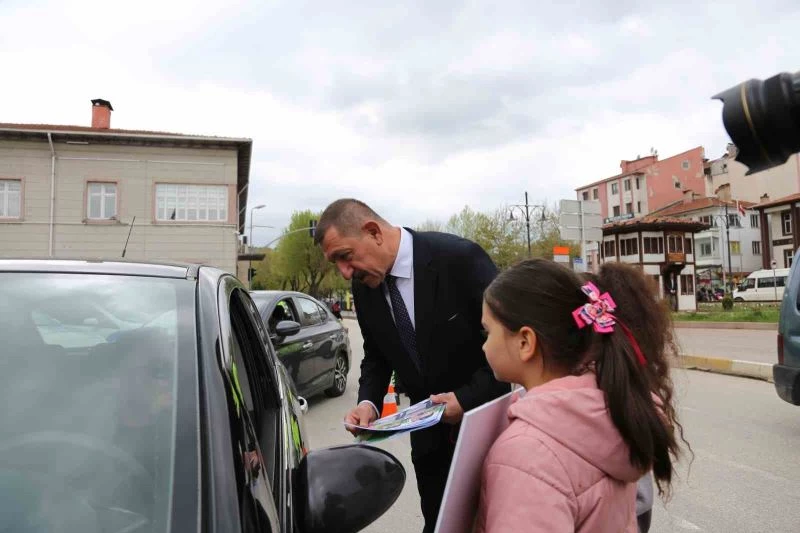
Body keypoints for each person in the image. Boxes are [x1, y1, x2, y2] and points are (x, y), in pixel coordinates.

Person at [315, 198, 509, 533]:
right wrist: (368, 403)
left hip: (486, 432)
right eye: (337, 264)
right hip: (428, 442)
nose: (345, 272)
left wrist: (467, 399)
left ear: (374, 232)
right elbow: (376, 354)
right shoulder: (364, 287)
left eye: (345, 257)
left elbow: (510, 343)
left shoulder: (459, 259)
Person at [476, 259, 687, 533]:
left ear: (525, 342)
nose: (483, 345)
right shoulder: (609, 407)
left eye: (488, 332)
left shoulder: (526, 453)